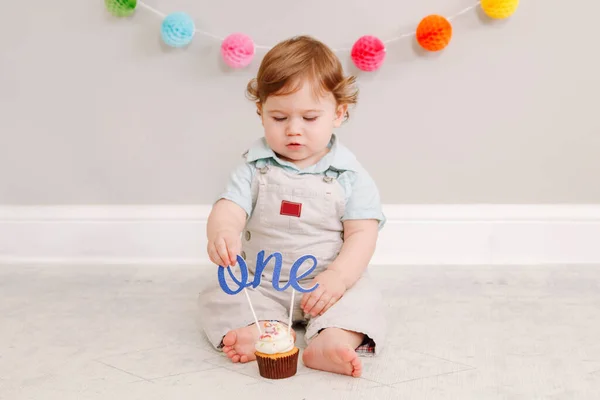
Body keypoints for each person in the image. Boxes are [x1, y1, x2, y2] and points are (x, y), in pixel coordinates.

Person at [198, 35, 386, 378]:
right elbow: (230, 207)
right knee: (216, 294)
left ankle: (331, 339)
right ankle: (266, 329)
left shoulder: (350, 175)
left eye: (310, 118)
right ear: (261, 113)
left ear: (339, 113)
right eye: (279, 118)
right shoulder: (253, 168)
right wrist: (222, 230)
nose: (294, 130)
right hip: (262, 284)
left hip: (326, 285)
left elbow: (363, 234)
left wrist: (339, 278)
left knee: (365, 299)